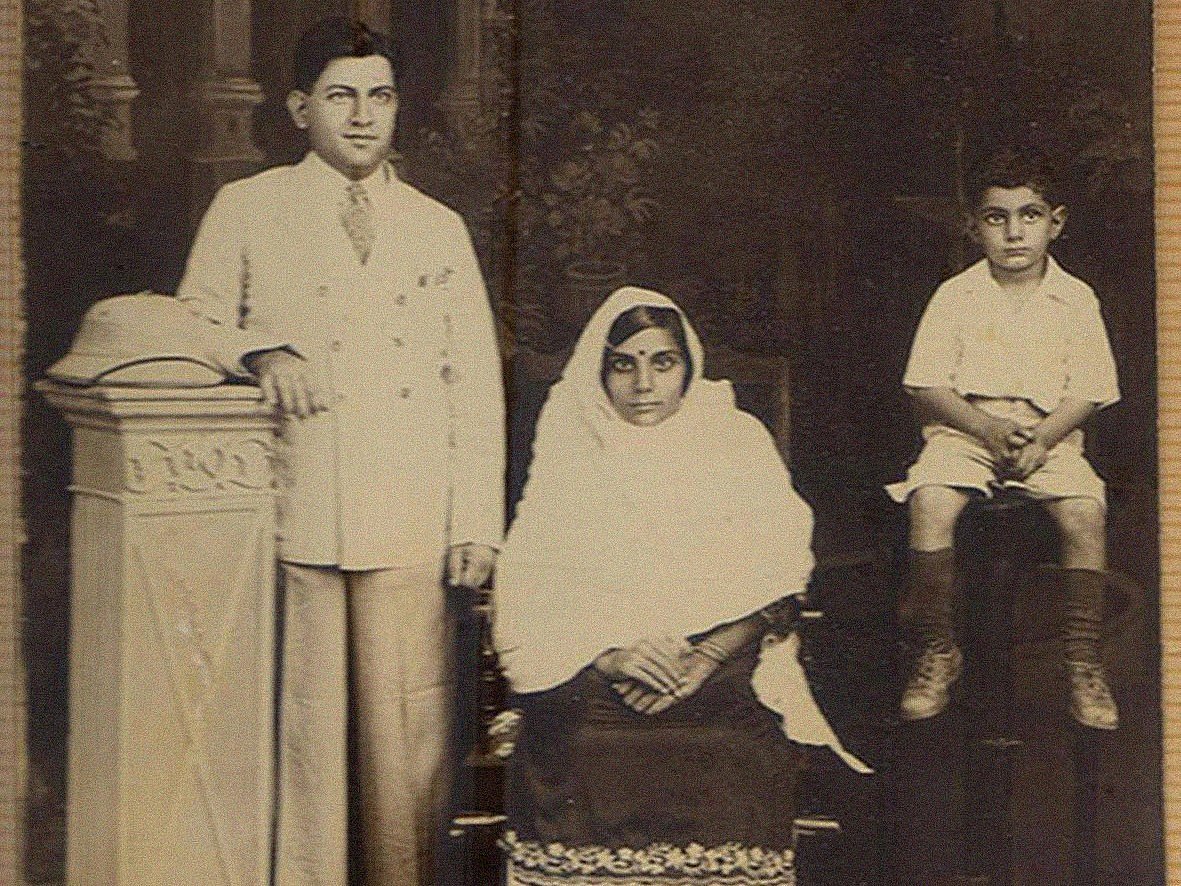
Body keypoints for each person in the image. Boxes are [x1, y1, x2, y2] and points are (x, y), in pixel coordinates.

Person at [175, 17, 505, 885]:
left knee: (410, 743)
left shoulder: (436, 227)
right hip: (298, 510)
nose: (363, 117)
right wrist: (260, 352)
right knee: (304, 737)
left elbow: (471, 382)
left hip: (410, 515)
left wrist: (475, 521)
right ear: (298, 108)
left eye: (380, 96)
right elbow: (190, 323)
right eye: (341, 96)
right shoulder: (248, 209)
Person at [494, 286, 869, 886]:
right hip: (593, 675)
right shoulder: (570, 444)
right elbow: (529, 588)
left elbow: (779, 569)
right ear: (600, 371)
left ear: (689, 366)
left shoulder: (736, 440)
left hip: (719, 669)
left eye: (661, 362)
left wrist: (706, 657)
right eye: (623, 364)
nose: (643, 384)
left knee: (728, 749)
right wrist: (611, 657)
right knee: (581, 746)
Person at [886, 147, 1121, 730]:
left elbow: (1089, 389)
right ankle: (939, 648)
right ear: (974, 227)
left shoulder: (1076, 300)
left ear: (1055, 223)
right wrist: (984, 427)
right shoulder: (955, 296)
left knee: (1084, 513)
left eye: (1030, 216)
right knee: (932, 502)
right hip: (966, 430)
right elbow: (927, 385)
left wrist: (1042, 438)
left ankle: (1083, 660)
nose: (1015, 233)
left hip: (1049, 435)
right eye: (997, 218)